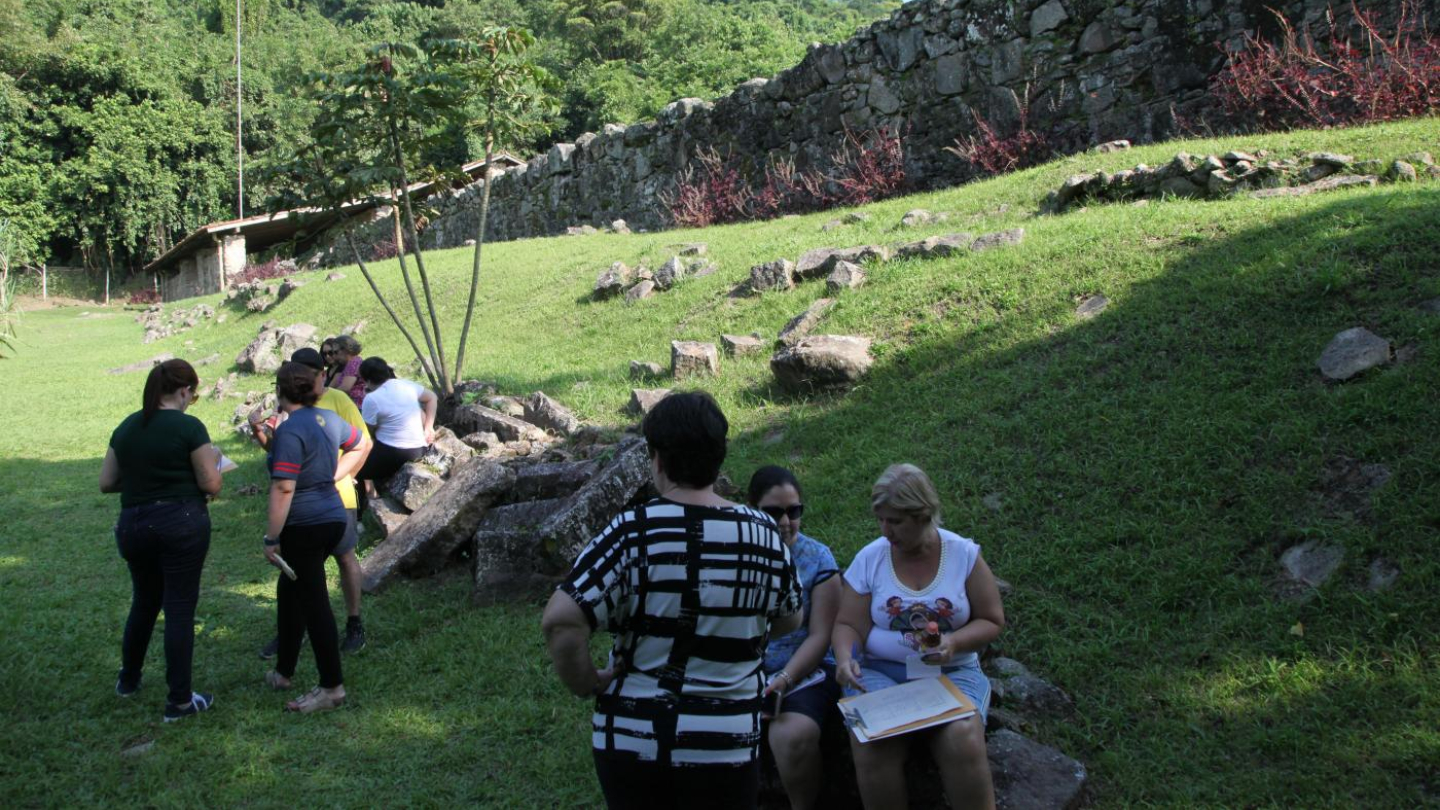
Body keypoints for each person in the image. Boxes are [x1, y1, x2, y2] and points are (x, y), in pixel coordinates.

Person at [541, 392, 804, 810]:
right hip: (726, 745)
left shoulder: (631, 531)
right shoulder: (765, 534)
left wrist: (587, 682)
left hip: (633, 743)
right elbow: (790, 618)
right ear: (719, 457)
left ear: (658, 459)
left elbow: (561, 620)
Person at [832, 463, 1005, 810]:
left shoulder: (962, 555)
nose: (885, 531)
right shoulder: (871, 558)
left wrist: (953, 642)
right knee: (872, 741)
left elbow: (992, 619)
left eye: (895, 521)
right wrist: (844, 657)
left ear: (923, 514)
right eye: (881, 520)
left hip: (951, 671)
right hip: (880, 672)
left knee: (961, 737)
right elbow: (848, 624)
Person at [99, 359, 222, 722]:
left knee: (144, 600)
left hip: (134, 524)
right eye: (192, 395)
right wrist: (213, 463)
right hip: (180, 522)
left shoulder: (127, 427)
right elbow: (211, 484)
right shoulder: (189, 427)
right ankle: (180, 701)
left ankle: (128, 680)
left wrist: (143, 481)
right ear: (184, 391)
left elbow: (107, 482)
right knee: (179, 609)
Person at [248, 348, 372, 655]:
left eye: (305, 374)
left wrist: (336, 474)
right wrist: (259, 432)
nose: (299, 380)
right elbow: (278, 454)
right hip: (298, 506)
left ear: (320, 374)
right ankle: (290, 632)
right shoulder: (289, 407)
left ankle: (354, 623)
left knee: (345, 558)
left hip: (334, 498)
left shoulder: (337, 401)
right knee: (295, 570)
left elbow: (363, 442)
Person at [262, 361, 365, 713]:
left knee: (314, 601)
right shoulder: (328, 420)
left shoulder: (290, 431)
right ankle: (284, 672)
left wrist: (271, 537)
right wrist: (335, 475)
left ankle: (332, 688)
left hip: (304, 524)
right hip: (333, 515)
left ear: (280, 391)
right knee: (289, 589)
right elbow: (360, 443)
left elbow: (283, 486)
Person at [748, 465, 841, 810]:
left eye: (794, 511)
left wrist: (784, 680)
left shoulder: (817, 558)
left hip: (805, 669)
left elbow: (820, 636)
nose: (785, 522)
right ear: (752, 510)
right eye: (773, 512)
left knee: (790, 735)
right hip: (747, 673)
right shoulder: (737, 557)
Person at [355, 356, 435, 511]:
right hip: (420, 447)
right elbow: (432, 398)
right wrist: (429, 427)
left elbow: (369, 432)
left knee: (357, 468)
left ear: (367, 380)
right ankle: (374, 494)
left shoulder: (371, 399)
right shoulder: (405, 385)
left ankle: (364, 510)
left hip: (396, 453)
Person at [325, 334, 366, 408]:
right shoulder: (352, 362)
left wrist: (326, 397)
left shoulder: (353, 363)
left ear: (346, 349)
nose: (334, 356)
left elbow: (345, 387)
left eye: (336, 352)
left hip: (357, 406)